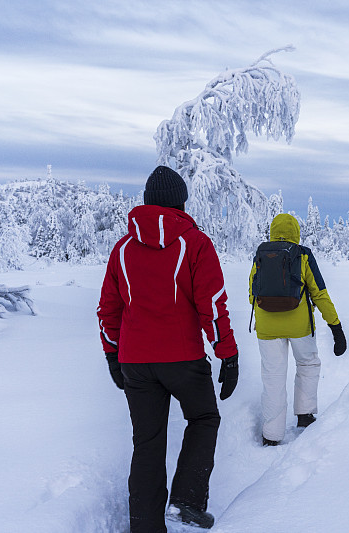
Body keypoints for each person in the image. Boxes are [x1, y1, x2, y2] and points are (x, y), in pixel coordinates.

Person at [97, 165, 239, 532]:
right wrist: (227, 354)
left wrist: (112, 354)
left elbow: (108, 309)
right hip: (183, 358)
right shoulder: (196, 243)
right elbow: (212, 305)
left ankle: (144, 525)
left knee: (147, 442)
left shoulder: (122, 249)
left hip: (135, 362)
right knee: (204, 418)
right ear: (181, 203)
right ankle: (187, 501)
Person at [249, 213, 346, 446]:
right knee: (308, 364)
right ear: (296, 232)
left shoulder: (261, 254)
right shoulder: (303, 255)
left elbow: (252, 292)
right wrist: (335, 326)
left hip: (267, 328)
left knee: (273, 377)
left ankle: (272, 435)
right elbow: (319, 293)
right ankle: (305, 414)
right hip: (299, 326)